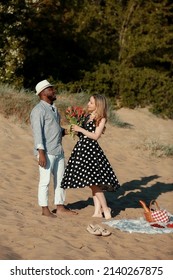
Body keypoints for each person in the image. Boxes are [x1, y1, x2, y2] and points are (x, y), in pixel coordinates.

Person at [60, 94, 120, 219]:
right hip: (82, 151)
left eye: (91, 103)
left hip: (91, 152)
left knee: (93, 183)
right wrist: (75, 129)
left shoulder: (101, 118)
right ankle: (97, 212)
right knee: (92, 182)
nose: (88, 104)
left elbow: (95, 136)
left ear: (98, 105)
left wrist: (80, 130)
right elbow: (83, 133)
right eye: (89, 101)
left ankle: (106, 209)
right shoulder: (86, 116)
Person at [30, 79, 77, 217]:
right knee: (45, 181)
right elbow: (38, 133)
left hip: (58, 151)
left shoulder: (54, 109)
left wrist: (70, 131)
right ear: (43, 93)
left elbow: (56, 130)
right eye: (51, 89)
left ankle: (60, 206)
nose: (54, 91)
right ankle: (45, 209)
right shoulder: (38, 110)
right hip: (46, 151)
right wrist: (41, 153)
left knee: (61, 180)